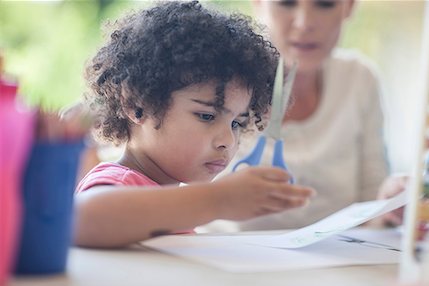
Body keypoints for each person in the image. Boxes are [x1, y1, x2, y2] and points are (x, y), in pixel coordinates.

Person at [74, 0, 315, 249]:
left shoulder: (171, 197)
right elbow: (83, 219)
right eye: (207, 116)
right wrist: (221, 200)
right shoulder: (119, 181)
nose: (228, 140)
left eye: (236, 123)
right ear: (137, 105)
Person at [203, 0, 390, 232]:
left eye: (325, 4)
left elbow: (373, 204)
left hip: (335, 263)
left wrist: (391, 205)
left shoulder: (360, 80)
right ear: (258, 3)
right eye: (286, 3)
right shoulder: (216, 82)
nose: (304, 24)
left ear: (349, 7)